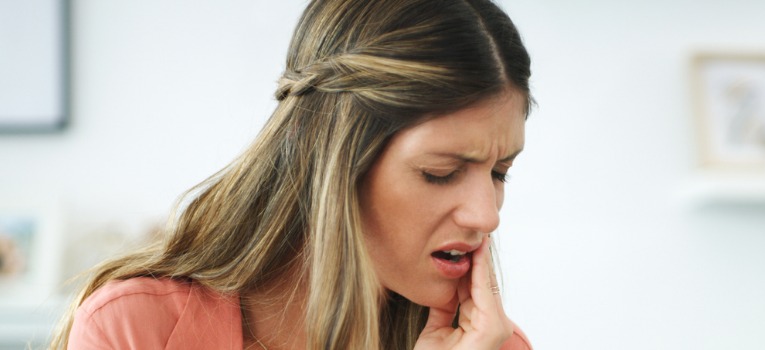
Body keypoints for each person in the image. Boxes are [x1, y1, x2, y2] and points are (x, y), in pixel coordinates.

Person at [50, 0, 533, 348]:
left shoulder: (492, 346)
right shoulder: (134, 329)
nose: (486, 215)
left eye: (500, 173)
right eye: (440, 173)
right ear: (330, 157)